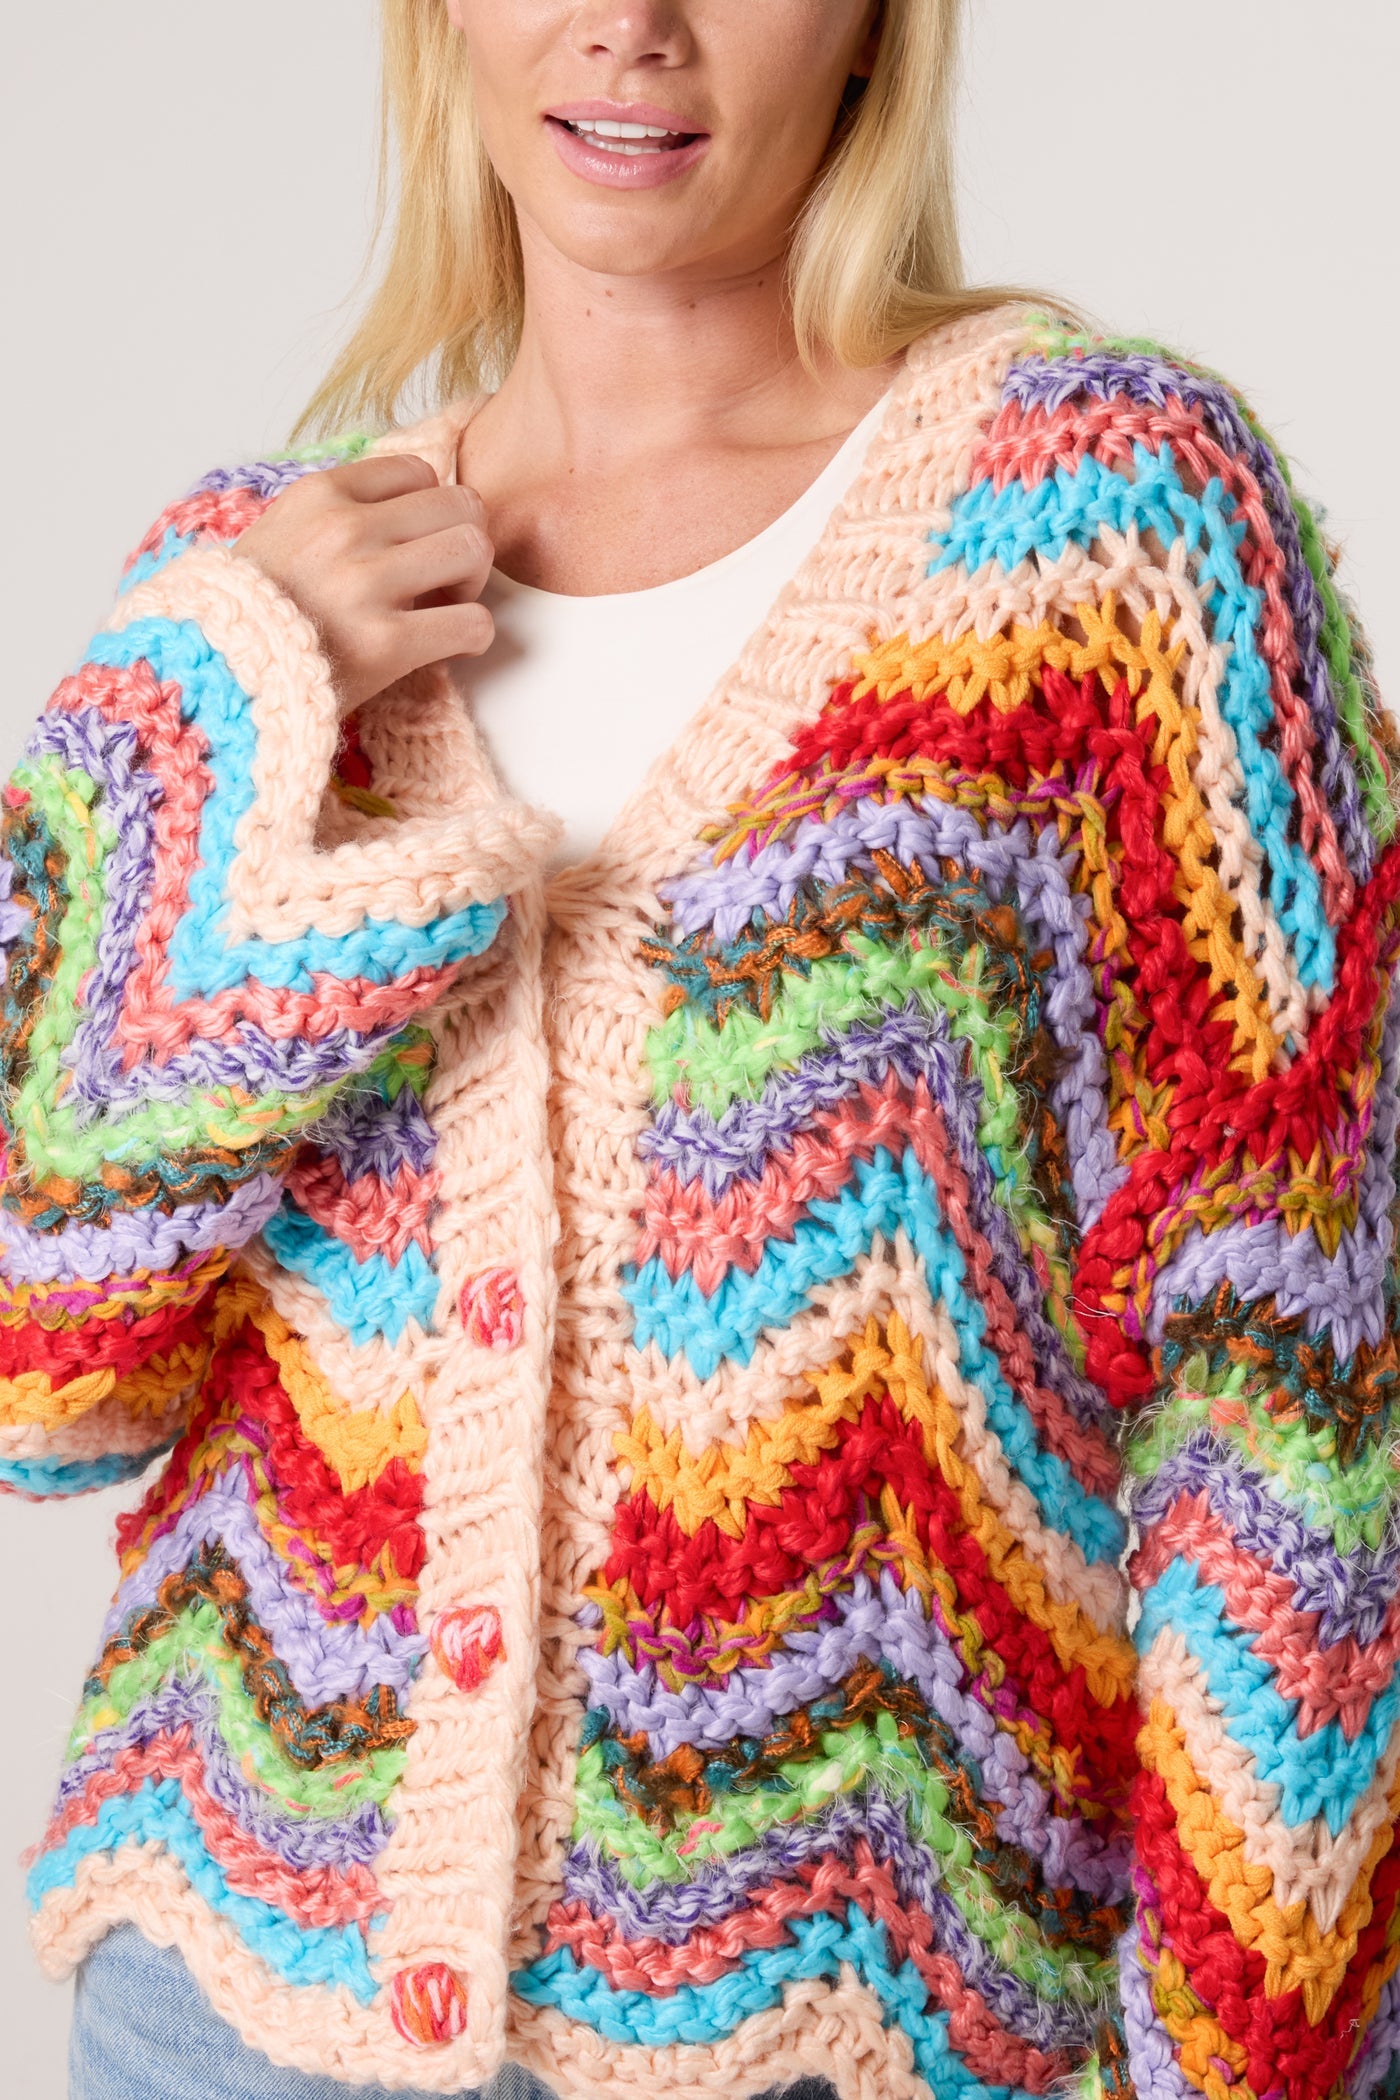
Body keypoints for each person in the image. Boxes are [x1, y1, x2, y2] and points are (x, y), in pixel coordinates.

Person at [6, 2, 1397, 2098]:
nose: (631, 25)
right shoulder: (256, 591)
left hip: (857, 2019)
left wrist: (1253, 2055)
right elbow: (42, 1370)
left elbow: (1302, 1374)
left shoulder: (1115, 527)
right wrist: (206, 712)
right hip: (229, 2001)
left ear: (872, 31)